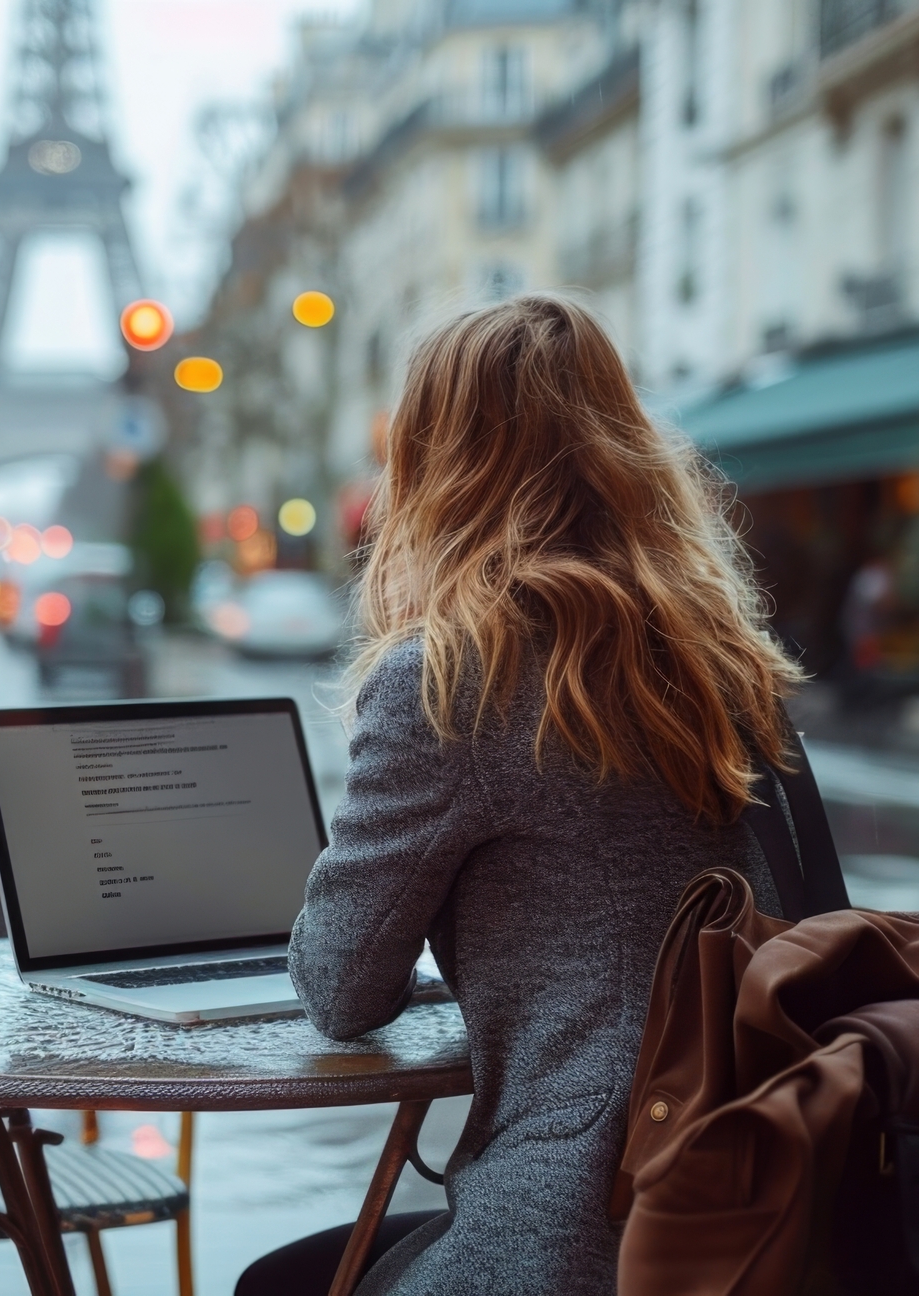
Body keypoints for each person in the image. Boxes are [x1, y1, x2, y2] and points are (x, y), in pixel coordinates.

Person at [251, 296, 802, 1296]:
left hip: (586, 1217)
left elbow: (339, 991)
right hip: (761, 1178)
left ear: (431, 464)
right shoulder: (721, 650)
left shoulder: (445, 673)